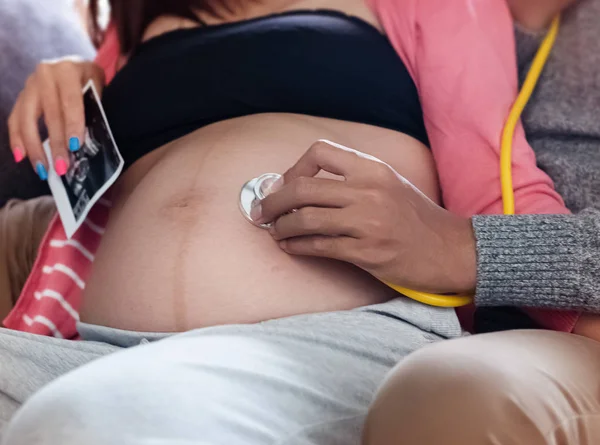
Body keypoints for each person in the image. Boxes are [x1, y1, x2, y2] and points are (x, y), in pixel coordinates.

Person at [0, 0, 598, 444]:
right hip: (90, 347)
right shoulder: (142, 21)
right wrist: (71, 83)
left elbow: (496, 181)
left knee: (84, 421)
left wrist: (576, 325)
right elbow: (74, 182)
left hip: (327, 339)